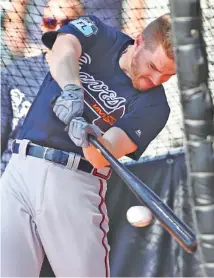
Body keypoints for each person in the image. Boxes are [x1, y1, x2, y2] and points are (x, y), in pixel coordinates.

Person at [1, 13, 176, 277]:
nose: (155, 80)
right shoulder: (98, 33)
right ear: (138, 42)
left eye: (167, 75)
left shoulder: (156, 107)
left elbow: (102, 156)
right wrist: (72, 90)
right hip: (21, 167)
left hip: (74, 182)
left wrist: (89, 137)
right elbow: (63, 49)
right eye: (152, 67)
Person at [1, 0, 84, 175]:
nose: (59, 29)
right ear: (42, 25)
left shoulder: (93, 80)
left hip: (60, 179)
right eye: (51, 22)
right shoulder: (15, 72)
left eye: (68, 23)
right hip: (11, 173)